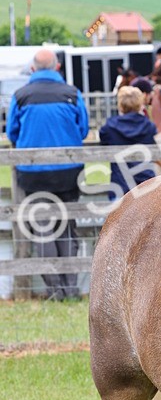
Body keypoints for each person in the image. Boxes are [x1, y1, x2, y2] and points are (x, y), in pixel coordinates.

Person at [6, 48, 90, 300]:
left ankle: (54, 291)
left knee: (42, 229)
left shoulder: (20, 96)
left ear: (33, 69)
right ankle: (71, 288)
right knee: (67, 227)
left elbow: (12, 132)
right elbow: (83, 130)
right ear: (57, 67)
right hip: (68, 172)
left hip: (33, 174)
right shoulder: (72, 94)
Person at [99, 85, 158, 199]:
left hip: (120, 186)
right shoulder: (149, 126)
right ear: (140, 104)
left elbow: (103, 141)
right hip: (146, 184)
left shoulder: (109, 128)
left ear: (120, 105)